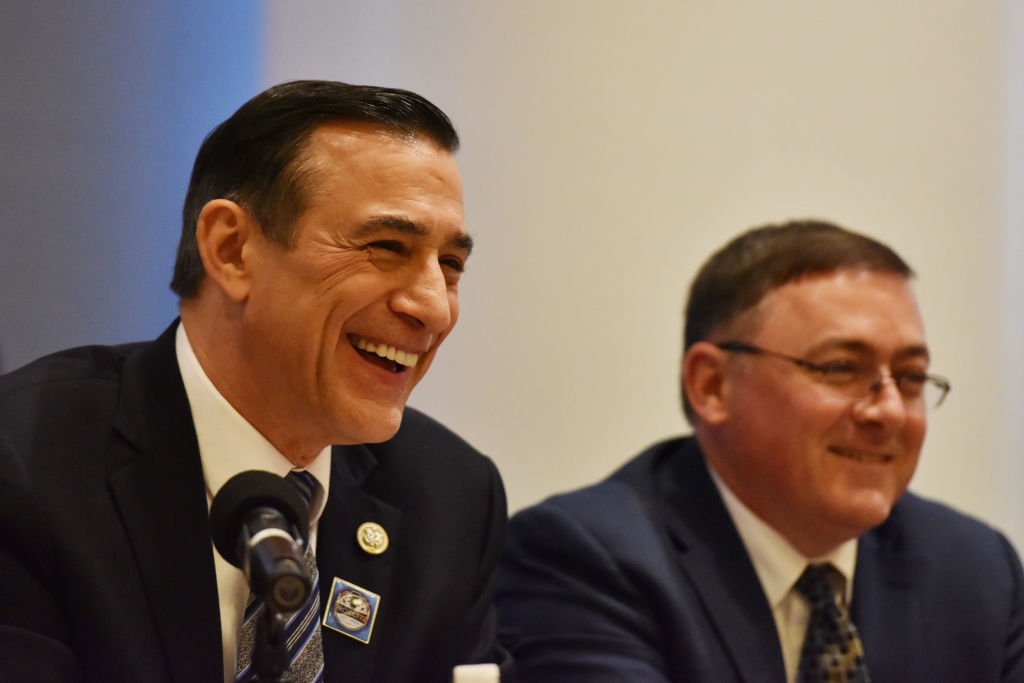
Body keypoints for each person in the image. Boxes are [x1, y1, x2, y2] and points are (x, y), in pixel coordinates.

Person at [0, 80, 511, 682]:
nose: (434, 308)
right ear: (232, 249)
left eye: (450, 266)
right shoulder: (27, 463)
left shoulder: (451, 498)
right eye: (385, 246)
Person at [496, 220, 1024, 681]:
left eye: (909, 377)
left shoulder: (976, 572)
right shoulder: (581, 559)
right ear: (712, 385)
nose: (887, 412)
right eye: (841, 368)